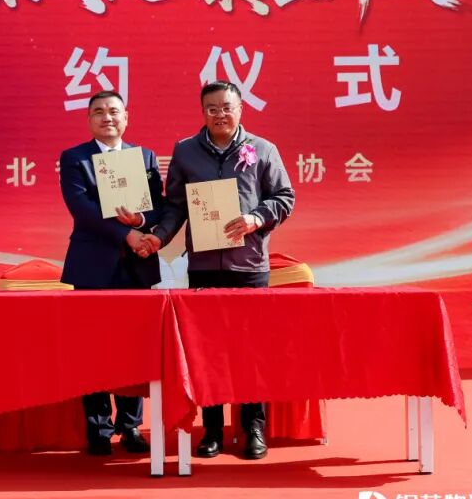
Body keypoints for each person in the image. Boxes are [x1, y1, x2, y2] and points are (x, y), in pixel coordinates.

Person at [140, 81, 295, 460]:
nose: (220, 114)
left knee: (251, 350)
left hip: (249, 265)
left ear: (240, 109)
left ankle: (253, 427)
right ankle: (211, 430)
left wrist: (256, 218)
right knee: (207, 351)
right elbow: (175, 205)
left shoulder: (263, 149)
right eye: (211, 109)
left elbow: (284, 197)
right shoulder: (185, 151)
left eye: (226, 107)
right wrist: (159, 236)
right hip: (204, 265)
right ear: (202, 112)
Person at [59, 90, 164, 456]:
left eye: (114, 111)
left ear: (126, 117)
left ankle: (130, 426)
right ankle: (98, 427)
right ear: (89, 120)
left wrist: (140, 221)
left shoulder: (145, 157)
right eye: (99, 112)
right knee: (92, 348)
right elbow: (81, 208)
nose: (107, 117)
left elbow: (158, 205)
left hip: (136, 266)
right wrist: (126, 234)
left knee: (134, 348)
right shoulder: (75, 158)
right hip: (93, 266)